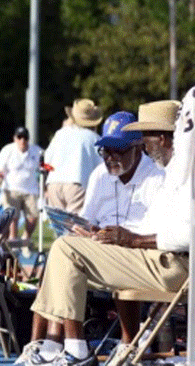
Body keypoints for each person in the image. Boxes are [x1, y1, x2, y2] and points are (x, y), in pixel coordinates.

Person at [21, 89, 194, 366]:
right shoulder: (173, 170)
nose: (147, 148)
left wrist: (131, 239)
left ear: (160, 138)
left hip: (173, 265)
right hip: (161, 259)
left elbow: (186, 235)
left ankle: (74, 350)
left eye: (145, 139)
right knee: (63, 251)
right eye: (106, 150)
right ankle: (49, 345)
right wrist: (103, 236)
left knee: (65, 249)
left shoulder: (172, 174)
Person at [43, 98, 103, 214]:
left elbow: (47, 160)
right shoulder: (94, 138)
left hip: (54, 183)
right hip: (77, 182)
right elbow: (101, 166)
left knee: (60, 227)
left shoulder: (60, 133)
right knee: (76, 227)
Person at [0, 126, 44, 241]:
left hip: (31, 190)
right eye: (19, 137)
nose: (22, 141)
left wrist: (45, 187)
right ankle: (13, 240)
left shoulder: (37, 151)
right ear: (15, 138)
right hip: (11, 189)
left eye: (25, 138)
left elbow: (45, 168)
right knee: (12, 218)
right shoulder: (7, 150)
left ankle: (26, 239)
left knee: (33, 217)